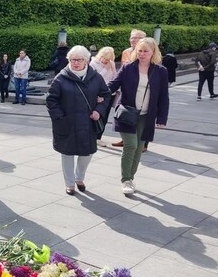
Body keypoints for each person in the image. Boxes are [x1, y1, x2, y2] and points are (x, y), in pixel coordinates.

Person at [107, 37, 169, 195]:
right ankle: (126, 179)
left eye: (145, 51)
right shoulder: (128, 67)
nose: (142, 54)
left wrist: (162, 118)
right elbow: (113, 84)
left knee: (139, 147)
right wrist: (100, 93)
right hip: (127, 113)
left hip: (146, 116)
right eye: (139, 50)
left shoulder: (161, 71)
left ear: (153, 52)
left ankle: (130, 178)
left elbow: (163, 96)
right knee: (131, 145)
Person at [47, 45, 111, 195]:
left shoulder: (96, 77)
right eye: (72, 60)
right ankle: (69, 183)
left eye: (79, 60)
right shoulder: (61, 78)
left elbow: (106, 95)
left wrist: (99, 110)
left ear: (87, 60)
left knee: (87, 153)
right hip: (67, 122)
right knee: (67, 153)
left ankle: (79, 177)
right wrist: (59, 117)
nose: (75, 63)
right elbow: (51, 100)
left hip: (88, 123)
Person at [113, 29, 147, 148]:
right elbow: (123, 69)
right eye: (132, 37)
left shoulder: (148, 53)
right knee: (124, 113)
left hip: (142, 89)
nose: (133, 40)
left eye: (137, 37)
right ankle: (125, 139)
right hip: (127, 88)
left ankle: (143, 144)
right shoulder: (126, 52)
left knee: (142, 118)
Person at [89, 47, 117, 147]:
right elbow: (95, 79)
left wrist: (112, 67)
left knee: (105, 117)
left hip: (109, 93)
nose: (106, 61)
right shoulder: (93, 64)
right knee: (96, 115)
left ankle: (98, 137)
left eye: (109, 59)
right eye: (105, 58)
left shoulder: (111, 63)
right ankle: (92, 136)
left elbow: (115, 77)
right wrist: (105, 69)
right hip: (97, 93)